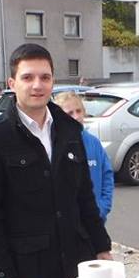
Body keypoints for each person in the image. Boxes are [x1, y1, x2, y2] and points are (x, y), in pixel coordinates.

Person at [0, 44, 112, 278]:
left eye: (45, 77)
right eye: (28, 77)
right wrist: (4, 275)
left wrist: (102, 246)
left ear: (53, 81)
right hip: (30, 268)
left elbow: (84, 196)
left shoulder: (69, 130)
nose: (37, 85)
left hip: (77, 258)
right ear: (12, 83)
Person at [53, 91, 115, 221]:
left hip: (95, 220)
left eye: (78, 111)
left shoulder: (93, 143)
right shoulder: (54, 145)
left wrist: (103, 207)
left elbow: (107, 175)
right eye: (69, 113)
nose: (76, 117)